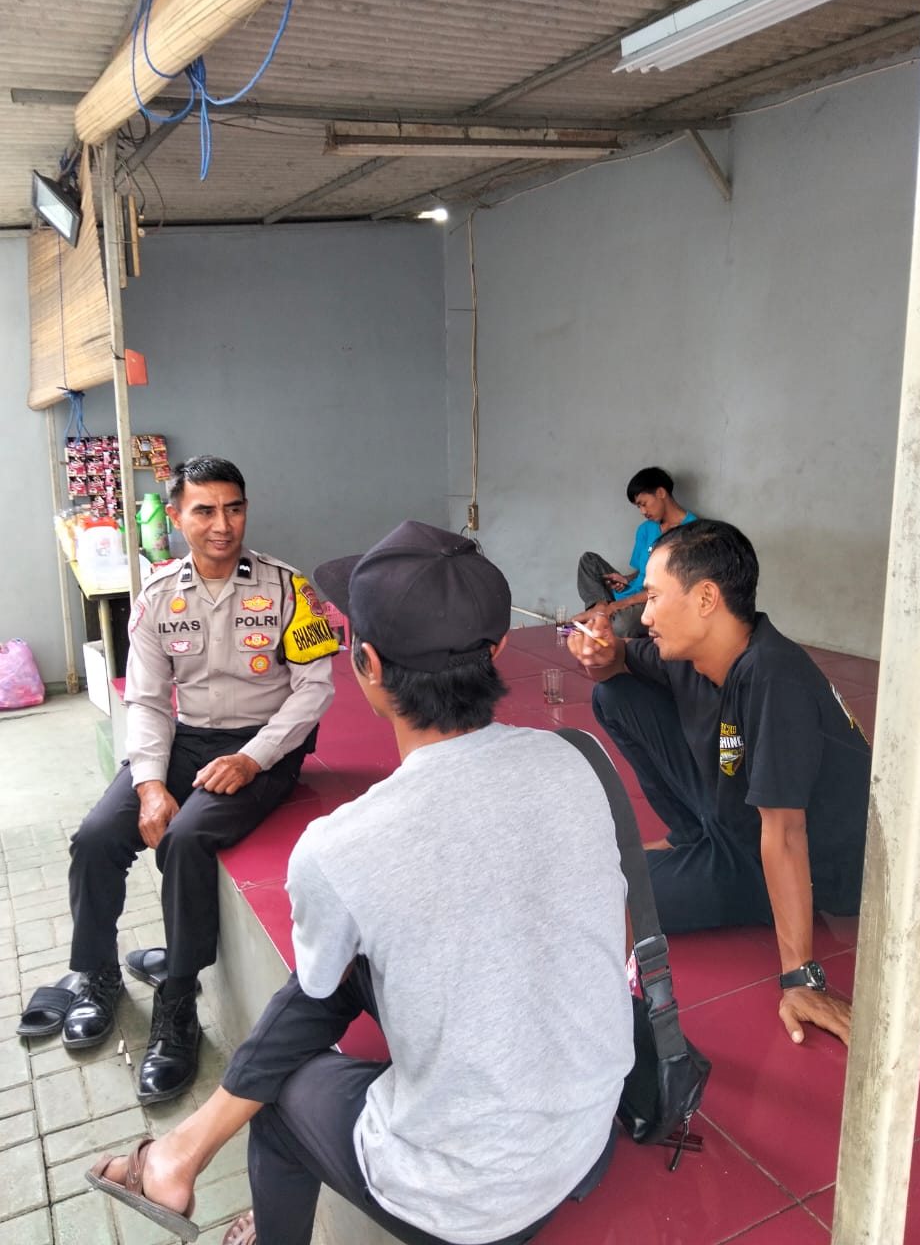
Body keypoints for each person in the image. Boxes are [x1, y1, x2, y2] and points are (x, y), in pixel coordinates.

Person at [86, 521, 634, 1245]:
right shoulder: (579, 759)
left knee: (283, 1098)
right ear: (499, 650)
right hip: (590, 1131)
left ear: (366, 664)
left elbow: (316, 989)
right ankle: (180, 1153)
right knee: (353, 964)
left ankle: (214, 1184)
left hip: (475, 1201)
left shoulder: (342, 846)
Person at [61, 455, 338, 1104]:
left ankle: (179, 1000)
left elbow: (314, 689)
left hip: (265, 744)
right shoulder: (158, 595)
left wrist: (254, 758)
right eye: (205, 510)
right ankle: (97, 973)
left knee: (187, 839)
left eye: (233, 508)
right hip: (185, 739)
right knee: (96, 837)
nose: (222, 525)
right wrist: (149, 782)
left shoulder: (288, 588)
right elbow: (148, 700)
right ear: (177, 516)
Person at [569, 518, 869, 1048]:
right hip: (734, 822)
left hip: (795, 864)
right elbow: (615, 663)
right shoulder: (693, 653)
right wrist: (598, 652)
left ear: (706, 598)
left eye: (654, 597)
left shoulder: (773, 679)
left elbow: (785, 831)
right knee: (614, 694)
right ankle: (692, 839)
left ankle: (715, 869)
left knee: (597, 888)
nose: (646, 615)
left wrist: (800, 978)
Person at [576, 466, 696, 637]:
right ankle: (600, 607)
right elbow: (642, 570)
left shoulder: (692, 532)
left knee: (621, 625)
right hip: (633, 592)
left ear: (660, 493)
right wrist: (626, 579)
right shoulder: (645, 529)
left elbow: (671, 588)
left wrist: (618, 605)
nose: (642, 512)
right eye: (638, 506)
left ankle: (603, 616)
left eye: (643, 504)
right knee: (589, 561)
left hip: (655, 601)